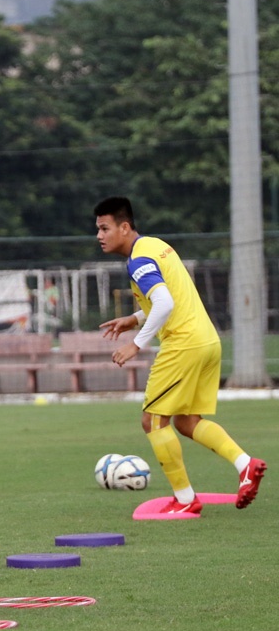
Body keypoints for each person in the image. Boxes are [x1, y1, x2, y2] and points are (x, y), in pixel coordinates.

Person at [95, 196, 267, 514]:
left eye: (105, 228)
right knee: (187, 422)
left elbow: (164, 303)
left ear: (124, 227)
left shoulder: (138, 260)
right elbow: (165, 296)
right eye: (98, 229)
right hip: (207, 341)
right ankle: (246, 464)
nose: (99, 236)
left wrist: (137, 343)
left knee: (153, 421)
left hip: (183, 345)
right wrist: (134, 318)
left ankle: (185, 501)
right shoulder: (154, 246)